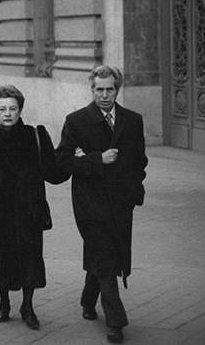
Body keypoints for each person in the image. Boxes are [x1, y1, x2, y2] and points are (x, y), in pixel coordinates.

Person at [0, 85, 67, 330]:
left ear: (20, 111)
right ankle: (4, 302)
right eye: (2, 109)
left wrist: (74, 158)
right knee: (0, 262)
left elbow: (53, 171)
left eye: (13, 109)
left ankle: (28, 306)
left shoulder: (35, 136)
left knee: (29, 262)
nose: (7, 114)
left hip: (27, 213)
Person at [56, 65, 147, 344]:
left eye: (109, 89)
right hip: (90, 205)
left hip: (120, 203)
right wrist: (96, 159)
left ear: (117, 89)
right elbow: (63, 162)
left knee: (106, 252)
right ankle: (116, 323)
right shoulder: (77, 121)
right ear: (91, 89)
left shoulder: (132, 120)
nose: (104, 95)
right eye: (99, 89)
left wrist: (133, 191)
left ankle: (87, 300)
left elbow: (139, 161)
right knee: (107, 257)